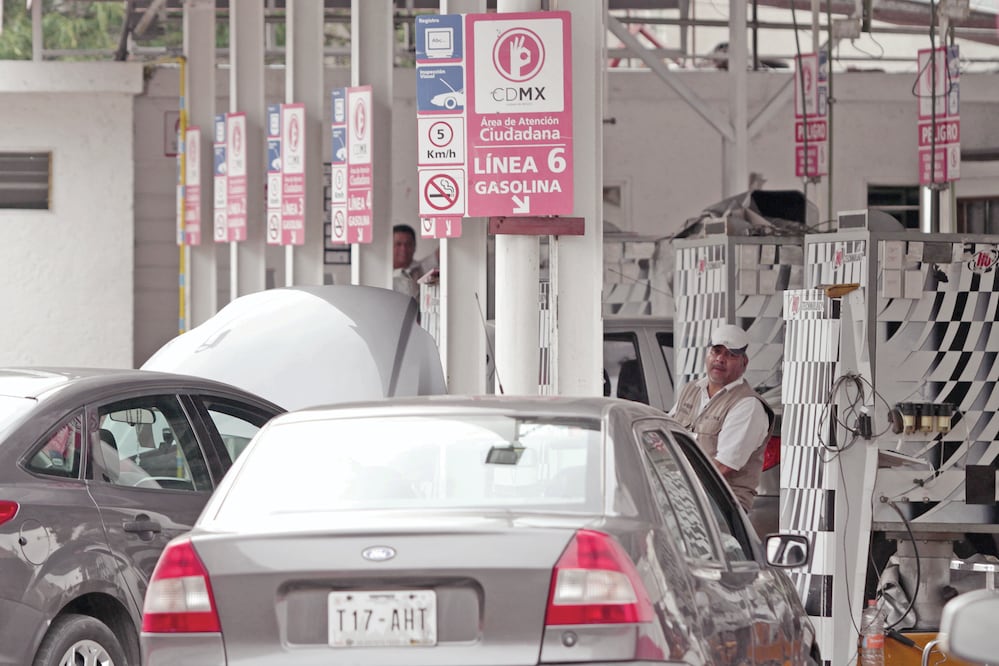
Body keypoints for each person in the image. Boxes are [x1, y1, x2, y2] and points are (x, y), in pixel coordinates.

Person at [669, 323, 774, 512]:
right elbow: (666, 434)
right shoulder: (692, 390)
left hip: (722, 505)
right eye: (716, 351)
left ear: (744, 362)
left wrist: (676, 487)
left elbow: (723, 468)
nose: (720, 359)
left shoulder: (747, 405)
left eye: (730, 354)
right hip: (687, 498)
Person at [392, 224, 421, 300]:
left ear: (414, 246)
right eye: (398, 244)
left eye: (408, 244)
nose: (403, 249)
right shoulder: (379, 273)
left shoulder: (423, 269)